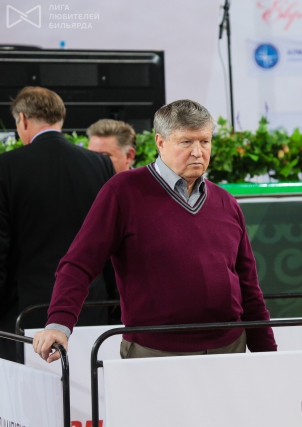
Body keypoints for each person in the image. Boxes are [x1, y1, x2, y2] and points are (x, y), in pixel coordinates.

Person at [33, 99, 277, 361]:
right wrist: (59, 324)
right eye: (186, 142)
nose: (198, 152)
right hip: (154, 353)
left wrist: (268, 355)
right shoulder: (123, 191)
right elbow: (78, 264)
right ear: (161, 142)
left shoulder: (226, 201)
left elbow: (249, 285)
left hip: (230, 349)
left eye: (204, 141)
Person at [0, 86, 115, 362]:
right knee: (89, 387)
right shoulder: (100, 164)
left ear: (23, 119)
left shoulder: (7, 166)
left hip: (26, 314)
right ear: (60, 118)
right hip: (91, 307)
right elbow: (112, 243)